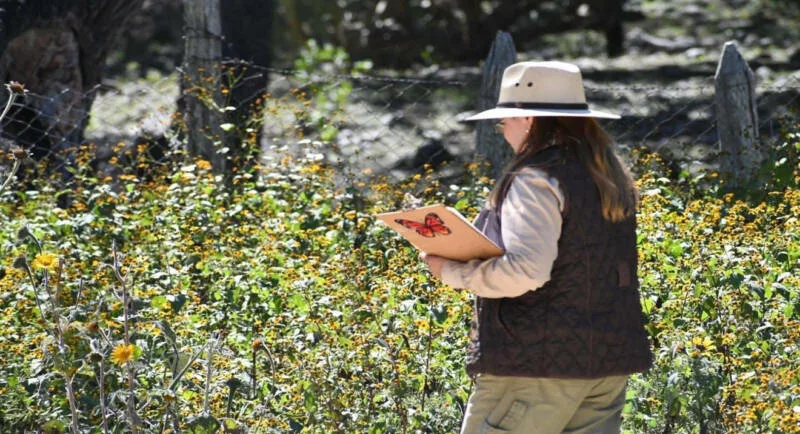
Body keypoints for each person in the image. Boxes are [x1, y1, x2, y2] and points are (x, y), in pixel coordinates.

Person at [421, 61, 653, 434]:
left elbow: (526, 271)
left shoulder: (535, 178)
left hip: (534, 367)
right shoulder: (606, 173)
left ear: (528, 119)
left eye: (504, 120)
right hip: (606, 363)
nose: (502, 129)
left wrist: (450, 270)